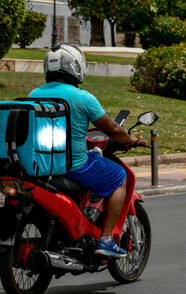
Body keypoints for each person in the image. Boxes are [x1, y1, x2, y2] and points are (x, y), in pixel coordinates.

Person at [29, 44, 138, 258]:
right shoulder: (82, 97)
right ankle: (106, 240)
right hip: (74, 165)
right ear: (75, 66)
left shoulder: (33, 94)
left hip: (41, 163)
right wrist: (130, 139)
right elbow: (114, 129)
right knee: (119, 176)